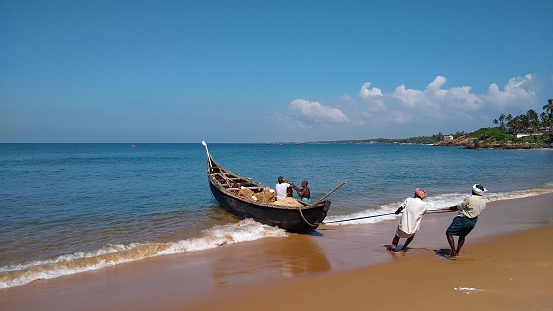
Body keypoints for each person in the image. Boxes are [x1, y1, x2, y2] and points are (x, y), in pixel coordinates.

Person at [445, 184, 487, 257]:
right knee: (462, 235)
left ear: (473, 191)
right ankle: (457, 252)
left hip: (463, 219)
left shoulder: (470, 198)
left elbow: (461, 206)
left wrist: (453, 207)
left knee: (449, 232)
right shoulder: (484, 201)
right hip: (473, 221)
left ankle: (453, 252)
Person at [388, 188, 428, 252]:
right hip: (413, 225)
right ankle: (404, 248)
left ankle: (393, 248)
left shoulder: (408, 199)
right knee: (411, 235)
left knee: (397, 236)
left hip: (403, 224)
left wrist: (397, 212)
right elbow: (423, 212)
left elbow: (401, 208)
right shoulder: (424, 204)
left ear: (415, 195)